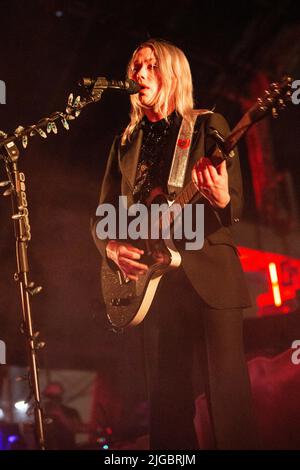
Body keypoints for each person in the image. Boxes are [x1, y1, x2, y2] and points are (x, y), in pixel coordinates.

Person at [91, 39, 259, 450]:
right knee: (166, 407)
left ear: (173, 74)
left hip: (209, 275)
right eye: (135, 67)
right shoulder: (125, 144)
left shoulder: (207, 125)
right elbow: (102, 216)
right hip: (156, 285)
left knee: (227, 398)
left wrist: (219, 196)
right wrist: (112, 249)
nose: (139, 74)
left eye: (150, 65)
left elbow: (233, 201)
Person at [42, 381, 84, 450]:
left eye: (55, 396)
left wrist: (60, 415)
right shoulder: (40, 412)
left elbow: (76, 429)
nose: (52, 400)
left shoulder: (71, 411)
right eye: (50, 396)